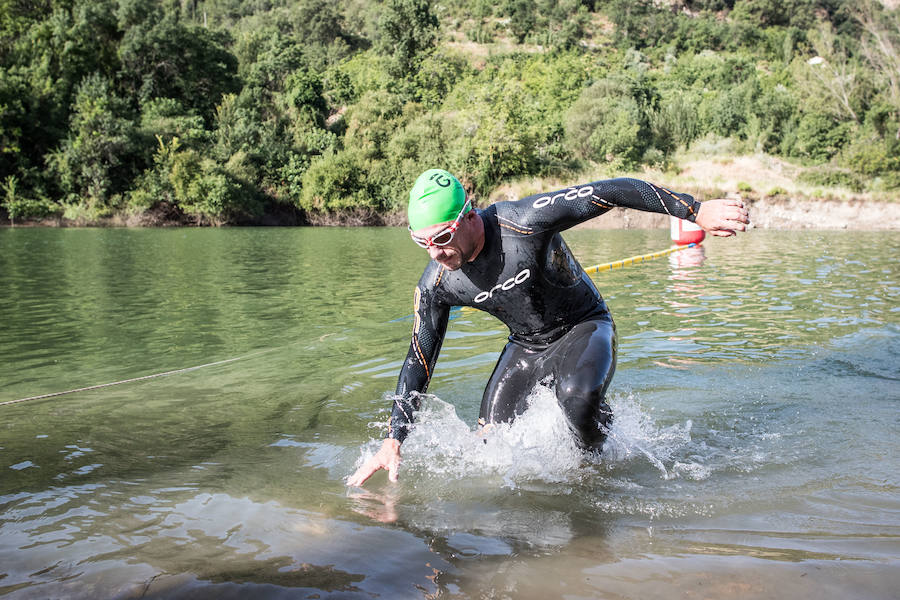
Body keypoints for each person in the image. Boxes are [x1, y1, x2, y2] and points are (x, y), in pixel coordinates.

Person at [347, 169, 749, 486]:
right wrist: (394, 439)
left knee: (575, 398)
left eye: (443, 237)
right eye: (423, 243)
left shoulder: (523, 222)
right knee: (488, 446)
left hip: (583, 325)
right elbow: (419, 358)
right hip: (525, 346)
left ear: (468, 215)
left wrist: (693, 209)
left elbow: (613, 190)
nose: (436, 253)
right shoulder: (437, 284)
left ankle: (598, 472)